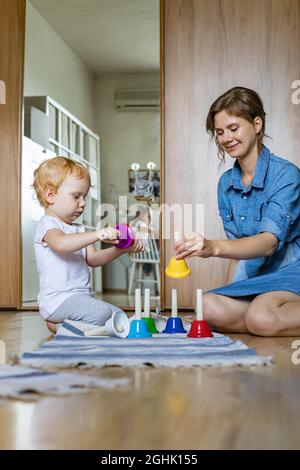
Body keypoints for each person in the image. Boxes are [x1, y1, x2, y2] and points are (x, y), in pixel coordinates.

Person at [175, 87, 300, 336]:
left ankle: (263, 319)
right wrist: (232, 293)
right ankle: (263, 321)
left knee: (260, 316)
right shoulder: (226, 183)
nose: (226, 138)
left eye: (233, 128)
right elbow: (239, 250)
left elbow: (267, 244)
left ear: (256, 124)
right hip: (260, 278)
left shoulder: (286, 175)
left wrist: (212, 247)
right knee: (207, 306)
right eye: (220, 132)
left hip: (292, 273)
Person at [33, 157, 143, 333]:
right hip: (57, 301)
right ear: (50, 195)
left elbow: (93, 259)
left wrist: (121, 249)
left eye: (84, 196)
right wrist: (97, 234)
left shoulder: (78, 229)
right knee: (105, 316)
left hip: (80, 298)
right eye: (76, 196)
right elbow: (61, 244)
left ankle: (63, 326)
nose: (83, 203)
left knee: (118, 316)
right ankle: (61, 324)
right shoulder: (48, 225)